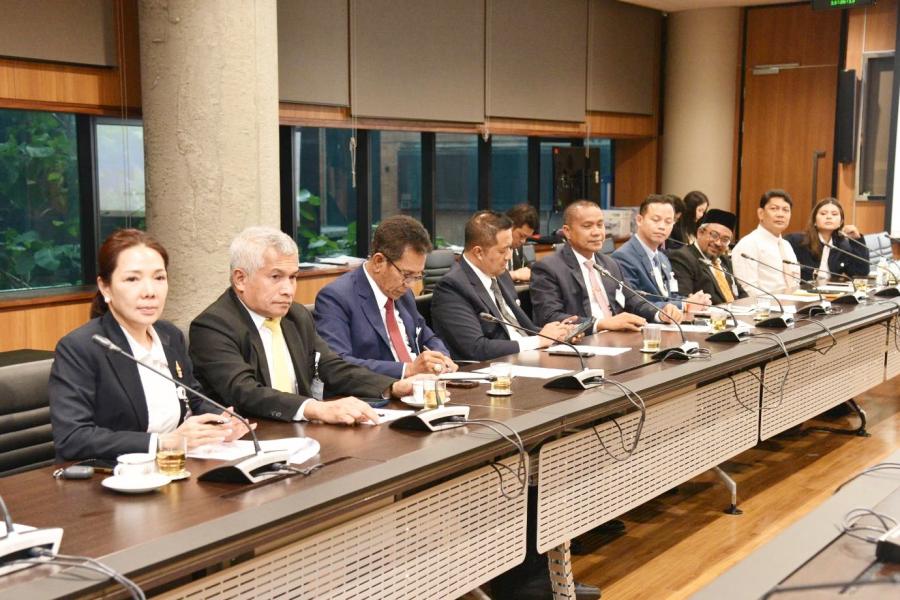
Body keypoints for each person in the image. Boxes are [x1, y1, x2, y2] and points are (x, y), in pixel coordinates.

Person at [49, 229, 252, 461]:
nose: (150, 292)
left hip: (175, 465)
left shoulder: (170, 335)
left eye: (159, 278)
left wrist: (222, 421)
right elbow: (72, 438)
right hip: (115, 473)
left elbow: (192, 397)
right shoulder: (81, 347)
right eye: (132, 279)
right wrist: (162, 442)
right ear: (105, 287)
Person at [189, 226, 422, 426]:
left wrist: (393, 386)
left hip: (303, 434)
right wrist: (314, 408)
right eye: (276, 277)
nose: (288, 290)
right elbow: (245, 392)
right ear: (241, 279)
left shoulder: (296, 315)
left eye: (292, 277)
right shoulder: (213, 326)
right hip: (251, 438)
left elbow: (331, 367)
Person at [314, 215, 456, 379]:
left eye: (418, 276)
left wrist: (441, 358)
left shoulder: (404, 294)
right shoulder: (336, 298)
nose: (410, 284)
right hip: (379, 390)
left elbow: (427, 337)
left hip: (424, 385)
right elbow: (338, 364)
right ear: (378, 261)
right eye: (407, 274)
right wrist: (407, 369)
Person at [431, 211, 575, 362]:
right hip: (494, 367)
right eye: (502, 250)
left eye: (510, 248)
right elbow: (475, 348)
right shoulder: (452, 287)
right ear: (478, 252)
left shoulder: (500, 274)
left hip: (526, 358)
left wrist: (557, 334)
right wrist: (539, 340)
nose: (509, 256)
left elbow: (521, 328)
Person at [531, 200, 655, 332]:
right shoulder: (548, 268)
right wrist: (600, 324)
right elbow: (550, 317)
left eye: (600, 225)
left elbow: (633, 300)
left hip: (616, 337)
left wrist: (659, 314)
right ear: (567, 232)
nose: (597, 232)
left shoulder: (610, 264)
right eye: (587, 226)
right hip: (583, 340)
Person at [612, 195, 711, 322]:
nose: (662, 226)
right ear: (639, 220)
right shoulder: (623, 256)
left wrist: (692, 301)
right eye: (656, 220)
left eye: (668, 222)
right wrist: (684, 304)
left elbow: (669, 296)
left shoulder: (662, 258)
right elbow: (634, 303)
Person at [670, 208, 747, 304]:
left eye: (725, 239)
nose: (718, 243)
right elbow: (685, 301)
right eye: (714, 235)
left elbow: (740, 293)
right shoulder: (682, 257)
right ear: (700, 232)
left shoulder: (724, 260)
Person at [731, 189, 801, 296]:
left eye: (786, 210)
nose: (780, 214)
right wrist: (778, 302)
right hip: (765, 305)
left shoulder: (786, 246)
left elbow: (796, 281)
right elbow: (748, 289)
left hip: (792, 302)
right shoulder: (748, 244)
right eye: (774, 209)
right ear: (761, 213)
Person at [785, 197, 870, 283]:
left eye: (834, 214)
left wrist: (857, 240)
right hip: (803, 290)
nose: (829, 217)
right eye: (823, 214)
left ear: (841, 222)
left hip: (831, 290)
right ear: (814, 221)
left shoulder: (842, 246)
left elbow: (860, 273)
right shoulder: (796, 241)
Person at [505, 203, 538, 283]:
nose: (523, 241)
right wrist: (514, 275)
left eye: (526, 237)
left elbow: (528, 268)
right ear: (509, 226)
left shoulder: (518, 248)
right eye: (521, 235)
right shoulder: (491, 247)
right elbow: (487, 278)